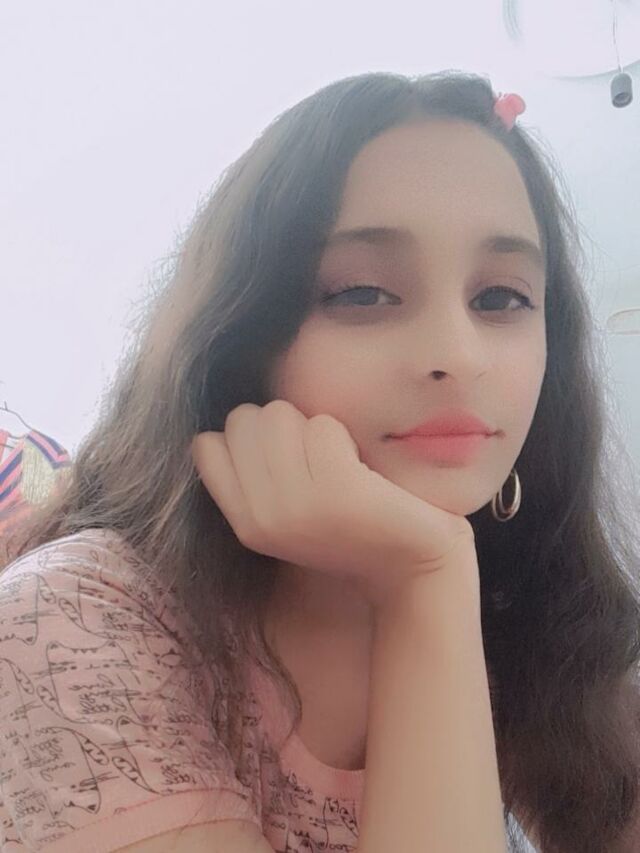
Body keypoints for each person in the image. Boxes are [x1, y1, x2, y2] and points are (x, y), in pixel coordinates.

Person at [0, 70, 639, 853]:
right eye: (363, 294)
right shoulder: (68, 621)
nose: (459, 354)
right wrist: (422, 580)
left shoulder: (539, 612)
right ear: (238, 342)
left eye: (501, 298)